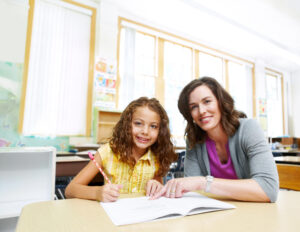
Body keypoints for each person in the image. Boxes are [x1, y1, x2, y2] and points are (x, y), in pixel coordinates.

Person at [152, 77, 279, 202]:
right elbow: (192, 191)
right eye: (193, 107)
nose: (201, 111)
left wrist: (204, 182)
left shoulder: (248, 129)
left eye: (207, 101)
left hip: (254, 213)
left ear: (221, 102)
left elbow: (268, 189)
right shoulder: (194, 141)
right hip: (217, 214)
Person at [65, 97, 177, 202]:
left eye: (153, 126)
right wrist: (97, 192)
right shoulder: (107, 151)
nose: (145, 131)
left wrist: (157, 187)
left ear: (160, 131)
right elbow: (70, 190)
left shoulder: (157, 155)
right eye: (138, 123)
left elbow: (157, 190)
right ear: (127, 125)